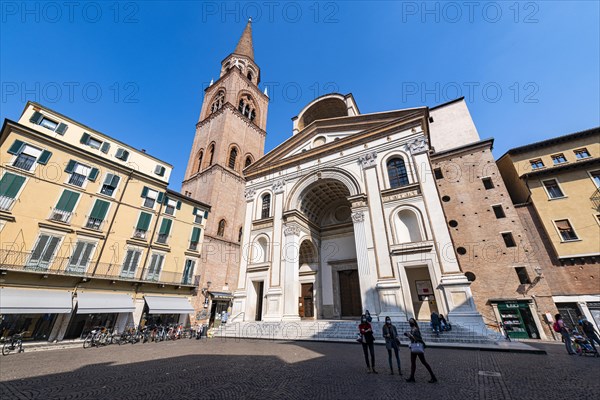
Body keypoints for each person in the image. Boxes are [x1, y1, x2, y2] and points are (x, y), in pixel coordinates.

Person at [404, 318, 437, 383]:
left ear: (414, 322)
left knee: (423, 362)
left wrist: (410, 336)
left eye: (411, 321)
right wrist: (408, 335)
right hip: (414, 347)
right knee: (413, 362)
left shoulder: (416, 329)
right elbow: (413, 338)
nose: (410, 323)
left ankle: (433, 376)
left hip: (417, 347)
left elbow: (417, 338)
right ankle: (412, 377)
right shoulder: (413, 329)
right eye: (410, 322)